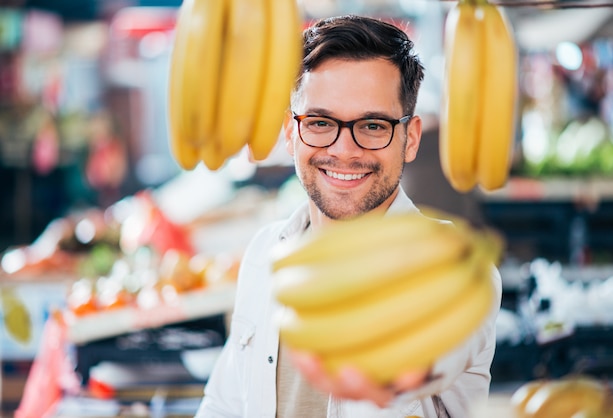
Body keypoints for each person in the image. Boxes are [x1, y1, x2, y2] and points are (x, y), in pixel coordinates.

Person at [194, 14, 502, 418]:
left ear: (409, 138)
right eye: (320, 122)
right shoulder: (264, 253)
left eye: (372, 125)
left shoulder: (452, 272)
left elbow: (441, 356)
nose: (344, 150)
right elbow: (224, 404)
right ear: (290, 132)